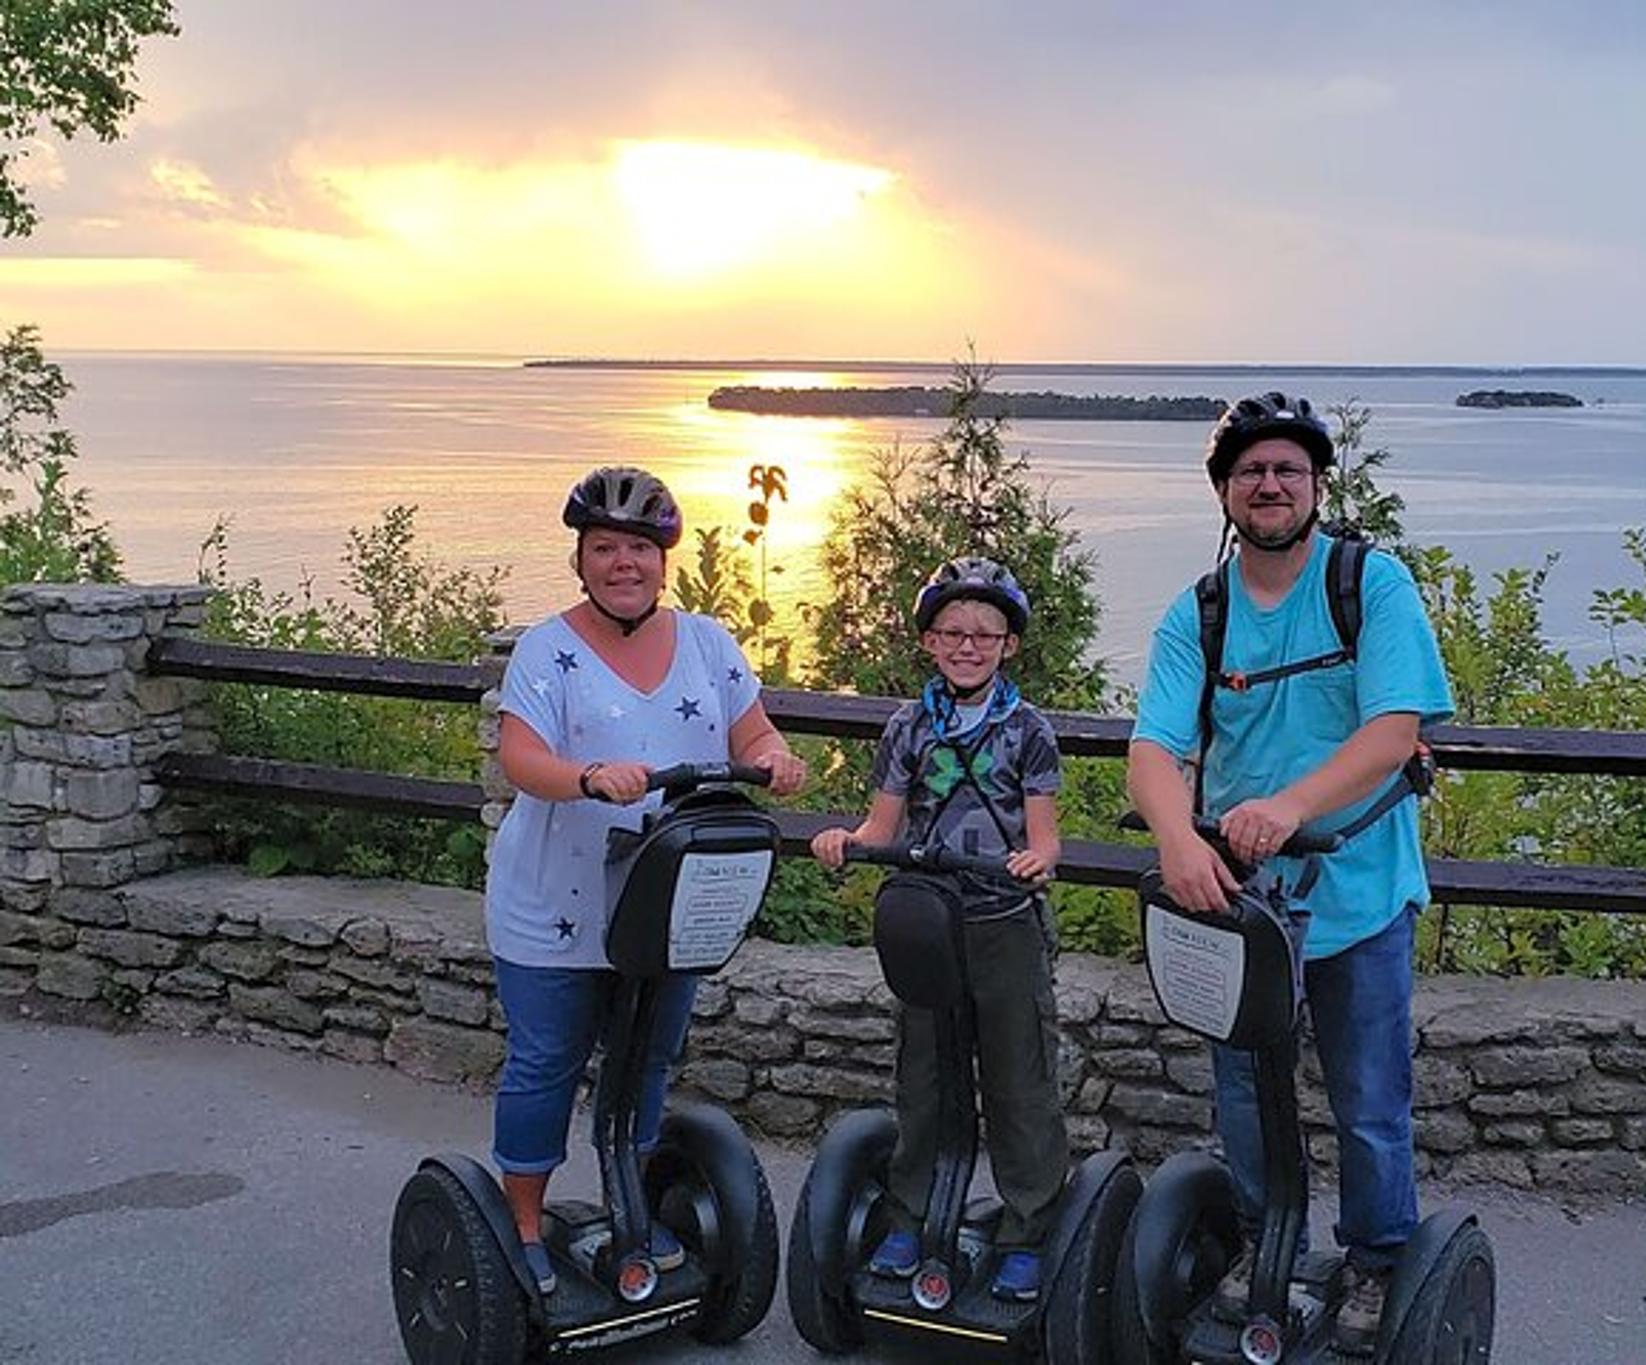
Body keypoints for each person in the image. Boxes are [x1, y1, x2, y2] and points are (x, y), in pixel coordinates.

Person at [1126, 392, 1453, 1351]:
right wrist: (1180, 840)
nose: (1269, 484)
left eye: (1288, 470)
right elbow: (1153, 746)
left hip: (1356, 891)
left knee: (1368, 1102)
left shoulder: (1371, 583)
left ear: (1314, 484)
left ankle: (1377, 1258)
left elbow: (1396, 732)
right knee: (1245, 1099)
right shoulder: (1203, 609)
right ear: (1226, 491)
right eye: (1250, 471)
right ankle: (1269, 1245)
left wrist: (1290, 806)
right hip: (1240, 902)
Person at [486, 465, 807, 1294]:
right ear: (580, 560)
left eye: (637, 547)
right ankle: (523, 1223)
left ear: (663, 559)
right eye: (603, 548)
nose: (621, 562)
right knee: (547, 1060)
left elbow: (754, 726)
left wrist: (773, 757)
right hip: (554, 905)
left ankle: (627, 1206)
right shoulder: (545, 650)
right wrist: (587, 774)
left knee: (647, 1060)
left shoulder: (706, 641)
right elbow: (520, 756)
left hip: (664, 904)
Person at [810, 555, 1067, 1303]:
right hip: (925, 924)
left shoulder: (1028, 730)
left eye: (985, 634)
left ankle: (1028, 1228)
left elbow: (1045, 834)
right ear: (928, 641)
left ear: (1009, 645)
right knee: (922, 1077)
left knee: (1020, 1081)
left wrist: (1035, 860)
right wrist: (845, 842)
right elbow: (881, 822)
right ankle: (914, 1215)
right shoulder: (908, 724)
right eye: (952, 632)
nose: (967, 645)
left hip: (1002, 919)